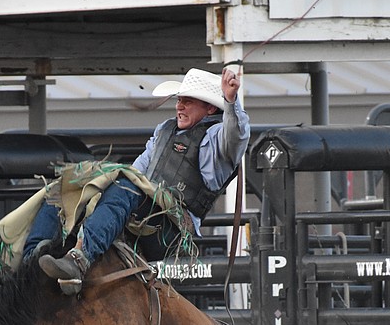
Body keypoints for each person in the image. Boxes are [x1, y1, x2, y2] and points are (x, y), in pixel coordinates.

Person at [29, 66, 250, 281]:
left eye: (188, 101)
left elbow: (236, 135)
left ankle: (80, 258)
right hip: (143, 213)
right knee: (65, 190)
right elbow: (136, 172)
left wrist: (231, 102)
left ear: (210, 109)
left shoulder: (216, 139)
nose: (179, 107)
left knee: (125, 187)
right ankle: (29, 266)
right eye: (179, 100)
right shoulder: (164, 130)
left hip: (170, 230)